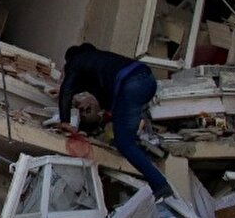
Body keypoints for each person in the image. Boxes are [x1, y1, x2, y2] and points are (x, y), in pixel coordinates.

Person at [57, 43, 173, 200]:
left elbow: (67, 89)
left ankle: (160, 186)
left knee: (124, 143)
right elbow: (101, 94)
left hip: (132, 84)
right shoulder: (101, 60)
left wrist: (65, 120)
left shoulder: (76, 61)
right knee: (125, 135)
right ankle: (137, 151)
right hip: (148, 81)